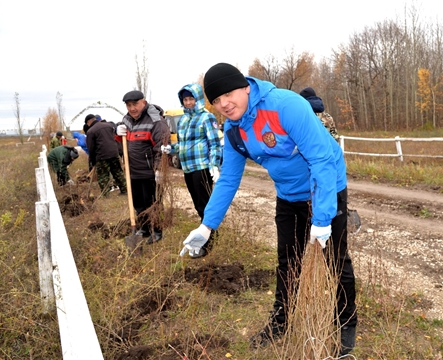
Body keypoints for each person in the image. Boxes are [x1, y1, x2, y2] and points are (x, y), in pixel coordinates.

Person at [179, 63, 357, 355]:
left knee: (335, 260)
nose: (224, 104)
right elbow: (229, 180)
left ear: (246, 87)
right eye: (216, 100)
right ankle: (280, 321)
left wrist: (323, 217)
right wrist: (206, 225)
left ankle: (346, 323)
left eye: (228, 94)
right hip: (288, 196)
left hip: (325, 188)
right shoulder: (234, 131)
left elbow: (323, 160)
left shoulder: (287, 106)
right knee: (287, 261)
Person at [173, 84, 222, 258]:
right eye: (185, 100)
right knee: (197, 205)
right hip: (187, 167)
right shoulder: (183, 121)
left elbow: (214, 143)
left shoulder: (206, 118)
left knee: (204, 205)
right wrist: (170, 149)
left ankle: (208, 240)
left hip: (201, 167)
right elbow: (182, 144)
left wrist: (214, 164)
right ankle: (205, 234)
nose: (188, 103)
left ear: (198, 99)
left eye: (191, 99)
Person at [116, 90, 171, 245]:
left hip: (149, 172)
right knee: (138, 202)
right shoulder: (126, 120)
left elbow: (162, 146)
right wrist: (116, 131)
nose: (132, 108)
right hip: (132, 171)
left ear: (144, 102)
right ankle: (145, 228)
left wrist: (160, 168)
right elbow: (121, 142)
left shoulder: (155, 121)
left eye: (135, 104)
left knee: (152, 203)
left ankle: (157, 230)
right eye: (129, 105)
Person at [85, 114, 127, 197]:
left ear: (89, 121)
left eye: (87, 123)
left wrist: (93, 161)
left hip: (102, 156)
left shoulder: (91, 131)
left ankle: (106, 194)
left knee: (103, 175)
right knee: (118, 172)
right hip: (114, 153)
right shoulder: (109, 126)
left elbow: (91, 148)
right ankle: (124, 190)